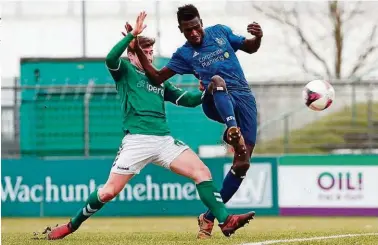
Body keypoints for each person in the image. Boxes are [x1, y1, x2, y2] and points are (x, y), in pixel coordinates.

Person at [43, 12, 255, 240]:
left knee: (201, 172)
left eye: (151, 52)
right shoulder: (125, 72)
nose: (149, 56)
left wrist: (206, 91)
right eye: (144, 53)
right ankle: (72, 225)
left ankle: (224, 220)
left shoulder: (160, 83)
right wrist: (131, 36)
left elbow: (189, 100)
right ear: (132, 56)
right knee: (108, 192)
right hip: (137, 141)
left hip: (164, 141)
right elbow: (110, 59)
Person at [134, 5, 263, 239]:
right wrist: (137, 49)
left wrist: (258, 37)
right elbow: (157, 76)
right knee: (216, 80)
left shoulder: (220, 33)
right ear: (180, 30)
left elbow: (251, 48)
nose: (193, 33)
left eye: (195, 28)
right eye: (187, 30)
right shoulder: (184, 54)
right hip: (215, 100)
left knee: (242, 164)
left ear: (201, 22)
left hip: (244, 97)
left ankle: (209, 218)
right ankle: (232, 129)